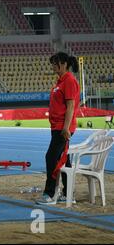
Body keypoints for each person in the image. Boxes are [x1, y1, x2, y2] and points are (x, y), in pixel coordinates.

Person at [36, 52, 80, 205]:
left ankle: (50, 194)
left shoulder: (69, 81)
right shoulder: (61, 81)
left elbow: (71, 105)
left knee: (51, 158)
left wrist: (66, 128)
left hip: (62, 128)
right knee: (63, 160)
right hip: (57, 126)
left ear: (63, 64)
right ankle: (68, 194)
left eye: (55, 64)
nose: (53, 67)